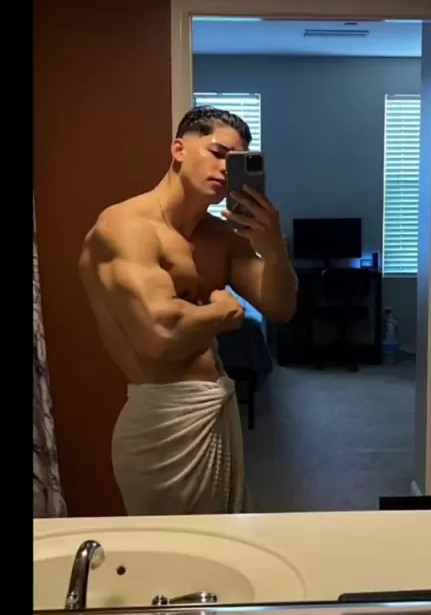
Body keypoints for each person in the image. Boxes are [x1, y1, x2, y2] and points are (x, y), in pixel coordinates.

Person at [79, 106, 298, 516]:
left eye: (235, 162)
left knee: (224, 540)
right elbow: (160, 336)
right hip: (162, 422)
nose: (225, 168)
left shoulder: (221, 236)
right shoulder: (125, 228)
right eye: (217, 152)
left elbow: (282, 307)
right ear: (179, 149)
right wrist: (223, 313)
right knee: (171, 550)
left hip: (215, 408)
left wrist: (273, 247)